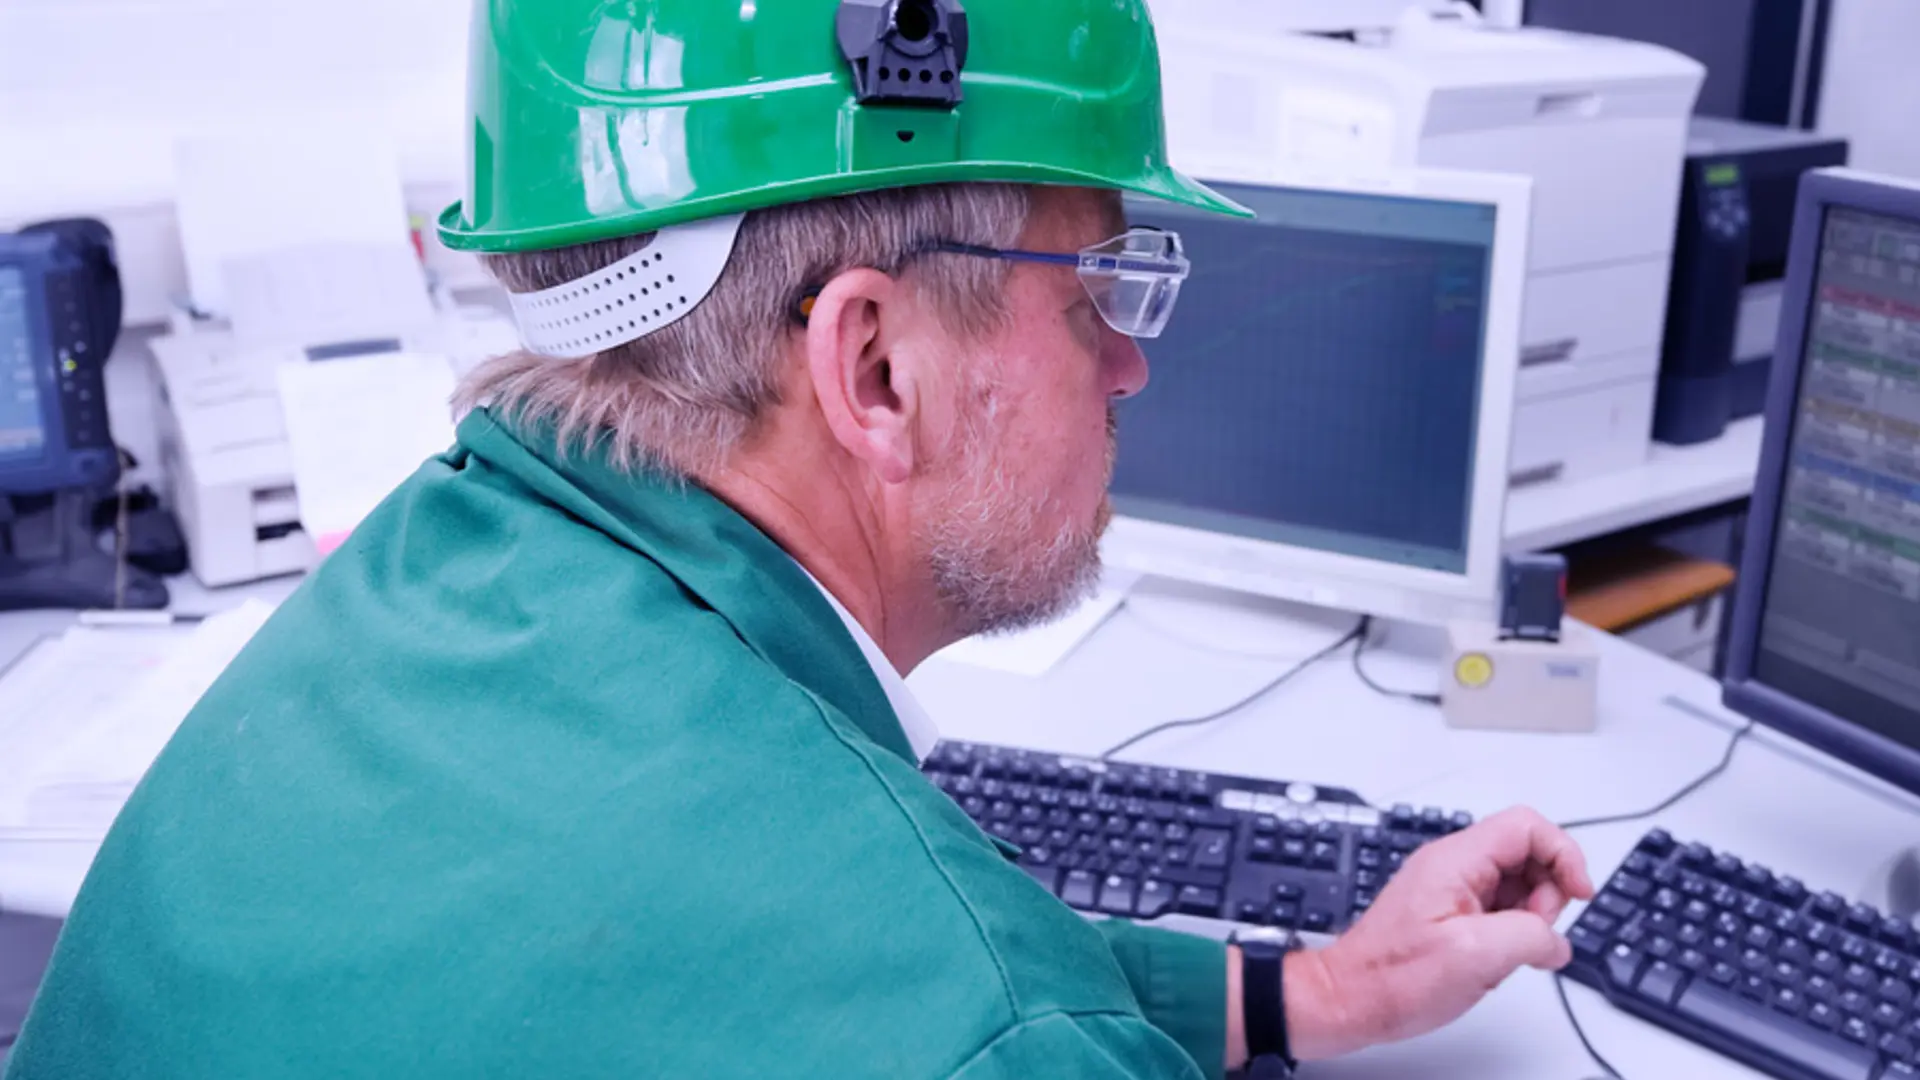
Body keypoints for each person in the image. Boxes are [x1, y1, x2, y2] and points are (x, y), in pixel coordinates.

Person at [5, 2, 1595, 1077]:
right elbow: (946, 1004)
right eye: (1097, 292)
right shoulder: (984, 1023)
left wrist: (1300, 993)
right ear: (876, 368)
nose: (1132, 364)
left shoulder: (419, 575)